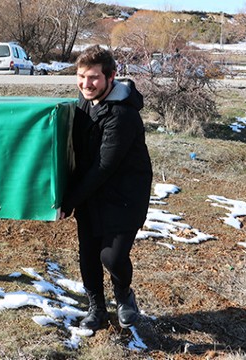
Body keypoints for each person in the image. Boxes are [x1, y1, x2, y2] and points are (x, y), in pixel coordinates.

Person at [61, 45, 153, 330]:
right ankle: (96, 309)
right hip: (92, 193)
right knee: (88, 252)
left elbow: (104, 165)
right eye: (81, 77)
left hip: (124, 195)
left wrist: (70, 200)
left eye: (94, 78)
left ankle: (124, 294)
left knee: (111, 256)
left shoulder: (123, 115)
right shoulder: (83, 101)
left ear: (111, 77)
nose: (86, 84)